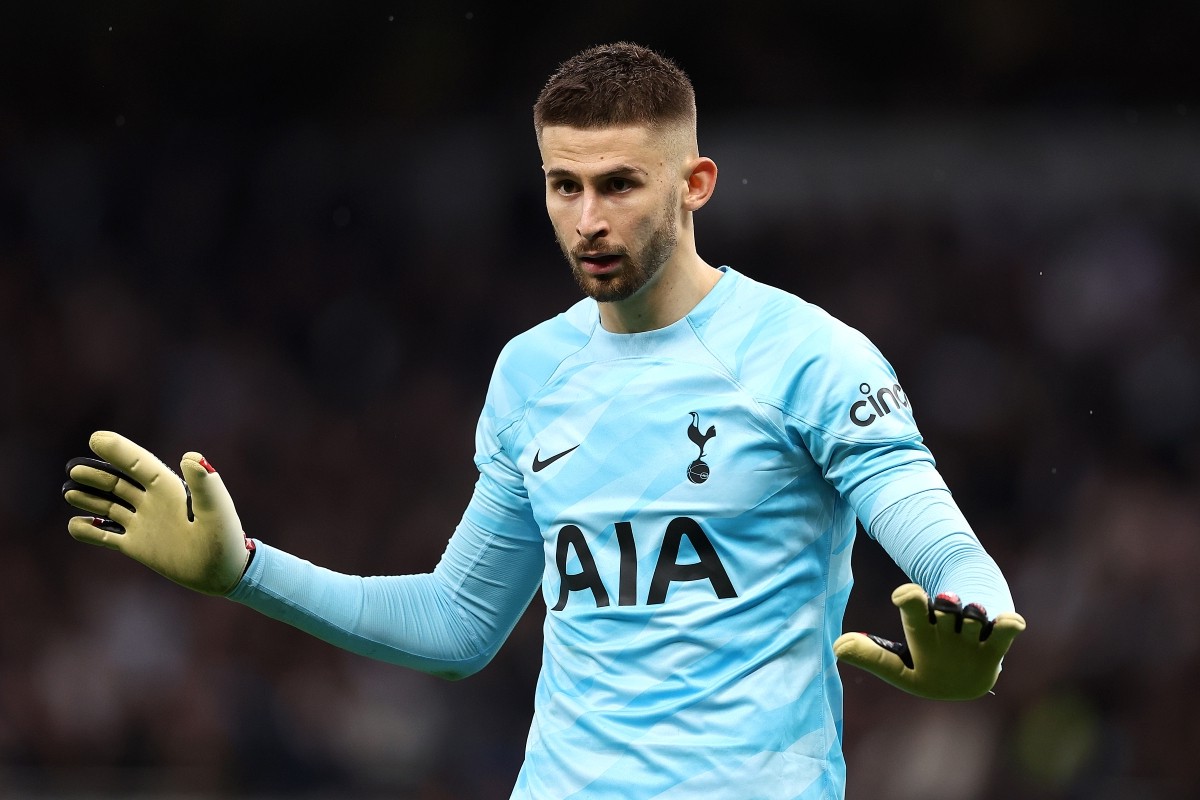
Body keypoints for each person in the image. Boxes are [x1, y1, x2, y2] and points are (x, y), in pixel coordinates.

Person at [62, 42, 1025, 800]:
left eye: (619, 183)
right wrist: (245, 573)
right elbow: (458, 623)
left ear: (695, 184)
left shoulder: (808, 356)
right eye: (565, 185)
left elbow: (948, 552)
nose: (587, 219)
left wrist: (968, 640)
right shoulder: (533, 372)